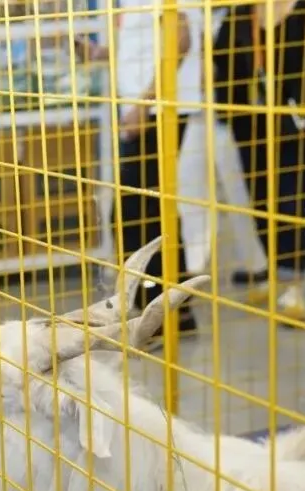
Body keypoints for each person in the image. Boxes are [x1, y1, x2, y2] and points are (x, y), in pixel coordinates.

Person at [77, 0, 206, 337]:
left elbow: (179, 40)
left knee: (135, 213)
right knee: (148, 210)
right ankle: (173, 310)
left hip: (158, 112)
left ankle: (166, 312)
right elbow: (148, 44)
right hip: (146, 110)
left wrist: (143, 105)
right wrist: (101, 53)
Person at [212, 0, 305, 324]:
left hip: (299, 122)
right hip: (250, 125)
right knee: (261, 202)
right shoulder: (239, 13)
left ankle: (293, 286)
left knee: (292, 200)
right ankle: (276, 272)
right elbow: (221, 65)